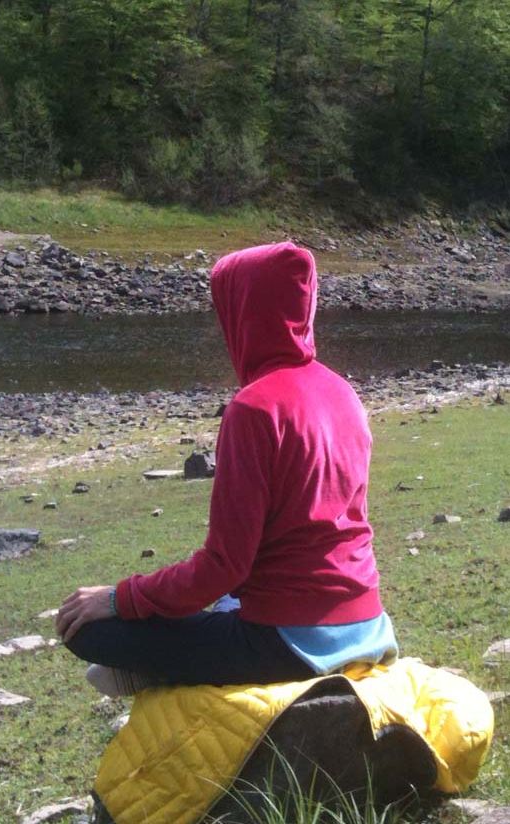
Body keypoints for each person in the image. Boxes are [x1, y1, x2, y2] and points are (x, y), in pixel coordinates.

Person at [56, 242, 397, 695]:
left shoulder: (253, 408)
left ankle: (156, 672)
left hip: (286, 642)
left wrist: (120, 597)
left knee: (87, 630)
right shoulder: (343, 393)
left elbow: (224, 567)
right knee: (220, 606)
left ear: (243, 313)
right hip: (368, 624)